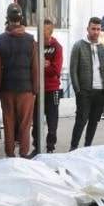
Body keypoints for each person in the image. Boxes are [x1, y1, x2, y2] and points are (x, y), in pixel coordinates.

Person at [0, 3, 39, 158]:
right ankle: (24, 154)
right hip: (26, 89)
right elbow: (35, 67)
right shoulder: (30, 40)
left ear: (7, 18)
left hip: (7, 88)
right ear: (21, 18)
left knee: (8, 122)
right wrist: (35, 88)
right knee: (25, 123)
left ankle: (10, 154)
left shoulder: (0, 40)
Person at [69, 17, 104, 150]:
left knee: (94, 121)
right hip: (84, 91)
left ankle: (87, 147)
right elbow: (73, 70)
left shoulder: (103, 49)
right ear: (88, 29)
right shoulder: (78, 46)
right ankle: (73, 147)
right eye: (93, 29)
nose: (96, 32)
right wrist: (77, 90)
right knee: (81, 120)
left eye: (98, 29)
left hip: (100, 91)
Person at [32, 18, 63, 155]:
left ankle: (50, 147)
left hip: (52, 89)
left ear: (50, 31)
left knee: (52, 121)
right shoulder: (34, 46)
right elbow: (32, 68)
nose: (42, 33)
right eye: (40, 30)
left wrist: (44, 65)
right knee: (36, 121)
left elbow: (56, 70)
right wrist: (44, 64)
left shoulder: (57, 47)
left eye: (45, 30)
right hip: (37, 90)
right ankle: (37, 147)